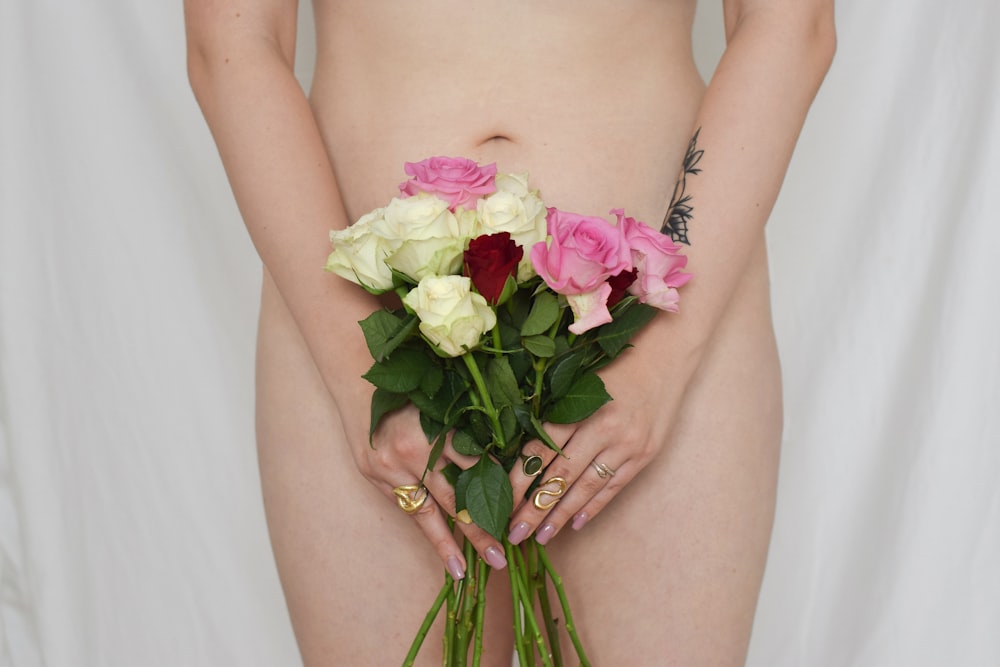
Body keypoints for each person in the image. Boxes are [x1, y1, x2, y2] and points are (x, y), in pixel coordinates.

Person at [184, 1, 835, 664]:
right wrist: (359, 369)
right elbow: (232, 43)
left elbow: (788, 23)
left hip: (652, 316)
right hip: (360, 321)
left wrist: (662, 358)